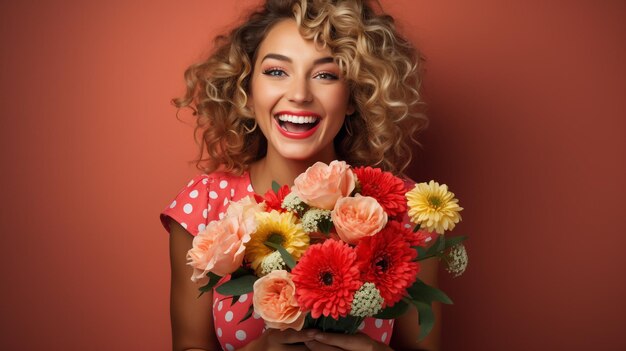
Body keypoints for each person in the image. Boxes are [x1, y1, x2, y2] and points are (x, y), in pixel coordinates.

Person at [161, 0, 440, 350]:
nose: (299, 95)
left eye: (325, 74)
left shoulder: (407, 210)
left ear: (354, 95)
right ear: (246, 92)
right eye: (277, 71)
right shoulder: (202, 206)